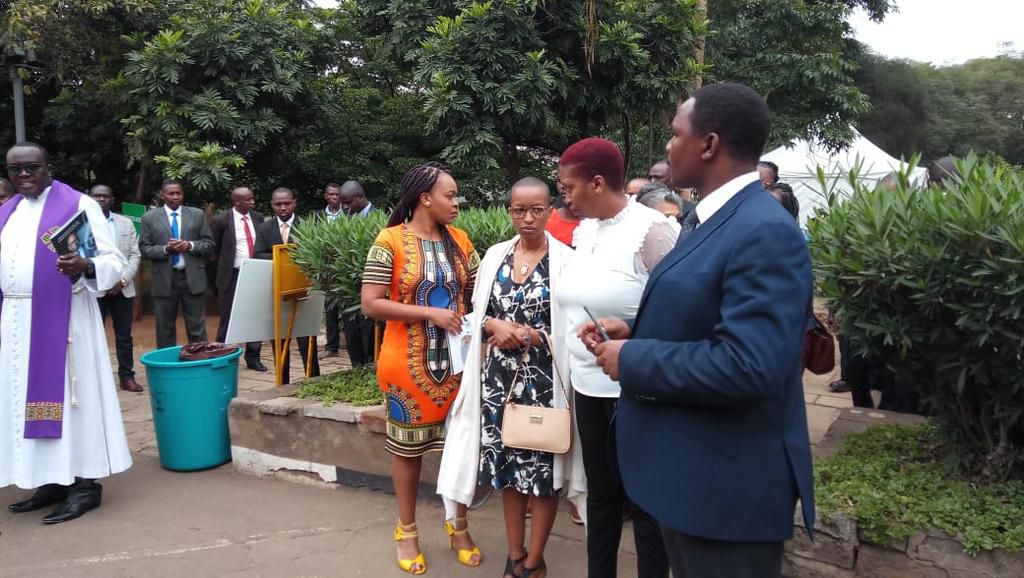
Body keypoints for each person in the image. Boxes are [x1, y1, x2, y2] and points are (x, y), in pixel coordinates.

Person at [583, 82, 815, 578]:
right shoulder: (707, 219)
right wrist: (634, 330)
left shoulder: (764, 231)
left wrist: (633, 359)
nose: (669, 146)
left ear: (708, 144)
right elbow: (707, 312)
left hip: (727, 494)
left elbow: (750, 365)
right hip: (692, 476)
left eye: (675, 134)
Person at [438, 177, 585, 578]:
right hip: (498, 382)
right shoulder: (495, 256)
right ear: (510, 212)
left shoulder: (567, 261)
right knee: (506, 471)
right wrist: (492, 325)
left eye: (537, 209)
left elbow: (577, 327)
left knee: (543, 473)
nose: (528, 218)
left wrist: (535, 336)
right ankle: (514, 555)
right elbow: (476, 313)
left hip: (544, 383)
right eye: (519, 210)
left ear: (550, 211)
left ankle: (534, 562)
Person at [555, 137, 677, 578]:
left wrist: (632, 331)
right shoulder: (586, 230)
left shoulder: (653, 232)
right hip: (587, 383)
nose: (564, 197)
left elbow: (679, 315)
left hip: (636, 387)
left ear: (597, 183)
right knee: (601, 495)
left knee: (645, 501)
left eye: (568, 187)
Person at [1, 142, 132, 524]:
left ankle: (84, 484)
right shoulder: (8, 212)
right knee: (23, 403)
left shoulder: (77, 206)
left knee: (73, 403)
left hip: (67, 319)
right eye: (15, 170)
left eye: (31, 167)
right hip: (17, 320)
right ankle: (51, 479)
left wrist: (86, 265)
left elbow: (113, 261)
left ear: (48, 168)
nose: (24, 175)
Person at [361, 162, 481, 575]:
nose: (456, 203)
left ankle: (458, 525)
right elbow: (371, 303)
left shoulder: (460, 240)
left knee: (462, 447)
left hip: (459, 365)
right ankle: (406, 530)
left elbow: (478, 293)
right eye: (450, 195)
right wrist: (430, 313)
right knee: (407, 452)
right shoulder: (390, 240)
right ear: (425, 199)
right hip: (406, 367)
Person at [254, 187, 320, 383]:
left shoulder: (307, 225)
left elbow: (314, 253)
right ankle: (282, 382)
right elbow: (258, 254)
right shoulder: (264, 228)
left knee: (307, 339)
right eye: (278, 204)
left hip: (303, 291)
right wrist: (285, 256)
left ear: (294, 203)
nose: (282, 208)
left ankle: (313, 380)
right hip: (277, 291)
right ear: (272, 205)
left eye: (286, 203)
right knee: (279, 340)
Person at [139, 180, 215, 349]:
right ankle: (167, 363)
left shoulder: (196, 214)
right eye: (171, 193)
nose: (175, 197)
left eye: (178, 193)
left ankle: (198, 359)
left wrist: (189, 245)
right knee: (164, 328)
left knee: (197, 328)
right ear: (162, 195)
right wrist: (166, 249)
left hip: (192, 278)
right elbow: (144, 248)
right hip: (164, 279)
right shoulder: (149, 218)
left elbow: (209, 243)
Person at [91, 184, 144, 392]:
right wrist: (100, 278)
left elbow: (135, 254)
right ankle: (96, 379)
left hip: (122, 288)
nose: (101, 199)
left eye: (105, 196)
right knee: (93, 335)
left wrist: (123, 280)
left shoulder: (125, 223)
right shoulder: (82, 224)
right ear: (90, 198)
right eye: (96, 196)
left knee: (124, 336)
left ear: (112, 200)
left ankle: (126, 377)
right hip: (94, 288)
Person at [210, 186, 266, 371]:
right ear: (236, 201)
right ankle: (223, 357)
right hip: (232, 275)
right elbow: (214, 250)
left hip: (255, 274)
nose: (253, 202)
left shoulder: (258, 218)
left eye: (252, 198)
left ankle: (253, 358)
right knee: (228, 318)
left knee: (255, 317)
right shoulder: (221, 220)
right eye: (248, 199)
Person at [330, 180, 376, 365]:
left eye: (348, 203)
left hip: (370, 290)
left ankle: (370, 366)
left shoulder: (379, 218)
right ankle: (356, 368)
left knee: (370, 335)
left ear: (360, 197)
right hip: (348, 291)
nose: (345, 207)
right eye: (343, 203)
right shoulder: (343, 220)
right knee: (352, 336)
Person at [544, 180, 581, 248]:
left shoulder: (599, 223)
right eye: (560, 180)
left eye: (570, 179)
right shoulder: (545, 220)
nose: (563, 186)